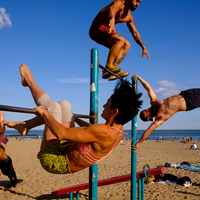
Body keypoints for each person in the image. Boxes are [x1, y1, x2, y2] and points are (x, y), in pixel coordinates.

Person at [4, 65, 142, 174]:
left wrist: (45, 113)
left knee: (53, 108)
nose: (104, 106)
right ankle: (25, 126)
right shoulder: (118, 129)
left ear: (114, 112)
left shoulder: (103, 131)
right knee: (65, 105)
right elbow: (91, 131)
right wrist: (74, 118)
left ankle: (28, 80)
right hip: (66, 148)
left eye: (107, 103)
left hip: (55, 160)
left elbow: (61, 133)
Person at [131, 74, 200, 151]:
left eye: (145, 110)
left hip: (186, 94)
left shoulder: (154, 102)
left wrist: (140, 78)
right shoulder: (159, 118)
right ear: (148, 118)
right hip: (189, 102)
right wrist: (139, 143)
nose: (146, 110)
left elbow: (149, 88)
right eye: (145, 113)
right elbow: (148, 130)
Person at [89, 0, 149, 81]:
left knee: (127, 44)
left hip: (106, 32)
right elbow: (112, 8)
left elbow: (135, 33)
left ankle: (111, 71)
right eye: (136, 1)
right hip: (97, 28)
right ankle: (109, 65)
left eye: (139, 3)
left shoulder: (129, 17)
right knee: (120, 40)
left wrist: (143, 47)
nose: (137, 4)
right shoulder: (119, 3)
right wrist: (112, 19)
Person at [0, 111, 18, 189]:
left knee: (11, 172)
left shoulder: (1, 141)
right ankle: (12, 181)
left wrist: (0, 112)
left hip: (6, 160)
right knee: (5, 172)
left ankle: (15, 180)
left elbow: (2, 125)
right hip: (1, 161)